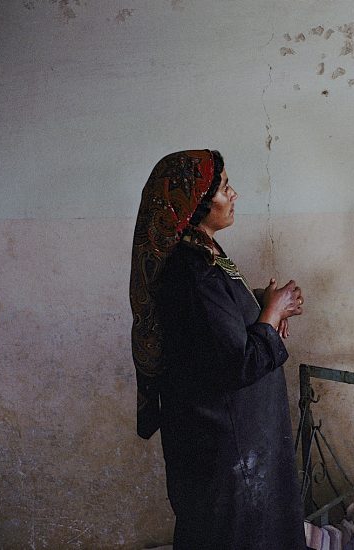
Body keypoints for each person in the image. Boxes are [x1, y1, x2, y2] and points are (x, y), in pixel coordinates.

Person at [129, 149, 306, 549]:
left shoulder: (202, 255)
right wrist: (271, 313)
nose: (235, 194)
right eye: (226, 187)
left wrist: (261, 304)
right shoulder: (192, 272)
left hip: (235, 439)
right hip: (224, 446)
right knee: (233, 533)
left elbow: (213, 329)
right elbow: (236, 364)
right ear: (196, 204)